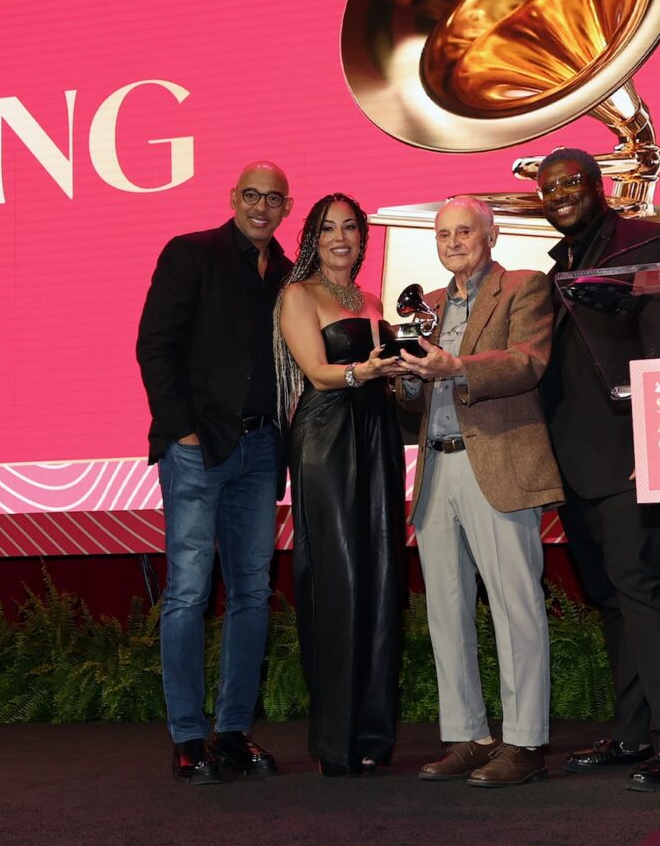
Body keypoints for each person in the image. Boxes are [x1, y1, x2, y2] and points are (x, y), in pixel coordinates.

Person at [537, 146, 660, 790]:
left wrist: (656, 440)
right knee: (611, 598)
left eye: (572, 182)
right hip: (577, 465)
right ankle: (635, 734)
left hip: (631, 457)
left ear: (600, 185)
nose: (560, 194)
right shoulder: (559, 266)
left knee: (642, 590)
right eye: (549, 188)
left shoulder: (649, 242)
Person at [395, 195, 564, 787]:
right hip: (436, 468)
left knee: (516, 608)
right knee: (445, 610)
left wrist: (455, 367)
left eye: (464, 231)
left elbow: (527, 361)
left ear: (491, 236)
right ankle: (468, 735)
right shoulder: (428, 304)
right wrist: (403, 375)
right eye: (443, 235)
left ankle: (525, 742)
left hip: (499, 463)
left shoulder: (523, 286)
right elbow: (411, 400)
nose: (453, 243)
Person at [136, 161, 293, 785]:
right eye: (251, 195)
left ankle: (231, 733)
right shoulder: (191, 253)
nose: (261, 206)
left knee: (251, 593)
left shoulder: (288, 275)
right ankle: (186, 738)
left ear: (286, 208)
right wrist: (183, 431)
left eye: (273, 199)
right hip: (199, 450)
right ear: (233, 198)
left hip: (261, 450)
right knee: (188, 593)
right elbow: (155, 345)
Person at [274, 192, 408, 777]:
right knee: (340, 577)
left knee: (381, 575)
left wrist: (403, 373)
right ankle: (335, 742)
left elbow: (386, 379)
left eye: (350, 227)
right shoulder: (298, 295)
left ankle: (373, 735)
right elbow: (316, 372)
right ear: (312, 237)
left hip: (377, 432)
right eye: (328, 228)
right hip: (326, 437)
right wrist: (365, 370)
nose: (340, 238)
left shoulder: (373, 299)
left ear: (362, 237)